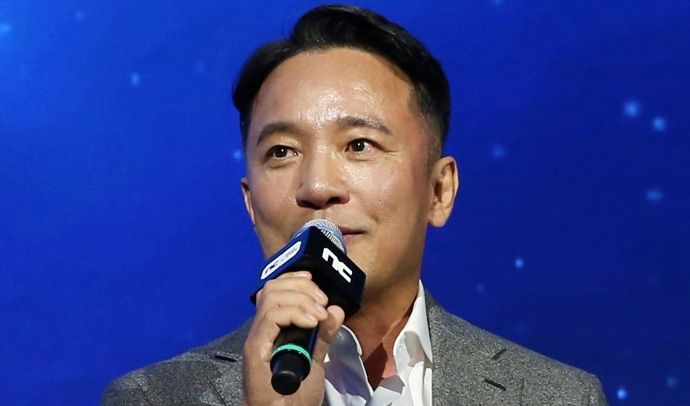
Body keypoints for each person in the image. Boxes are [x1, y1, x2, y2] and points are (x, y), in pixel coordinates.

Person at [102, 4, 607, 405]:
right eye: (282, 152)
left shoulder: (559, 397)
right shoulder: (151, 399)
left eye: (359, 145)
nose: (318, 185)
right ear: (251, 205)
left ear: (439, 191)